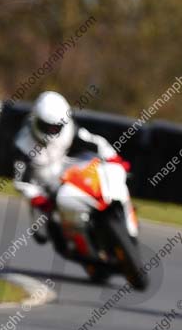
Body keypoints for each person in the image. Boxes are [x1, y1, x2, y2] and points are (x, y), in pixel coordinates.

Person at [12, 90, 128, 243]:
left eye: (55, 128)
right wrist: (37, 198)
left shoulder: (69, 128)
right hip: (43, 183)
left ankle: (119, 212)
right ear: (36, 119)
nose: (50, 132)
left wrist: (114, 158)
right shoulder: (23, 143)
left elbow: (94, 141)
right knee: (42, 233)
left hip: (65, 166)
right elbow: (20, 181)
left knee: (100, 165)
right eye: (46, 126)